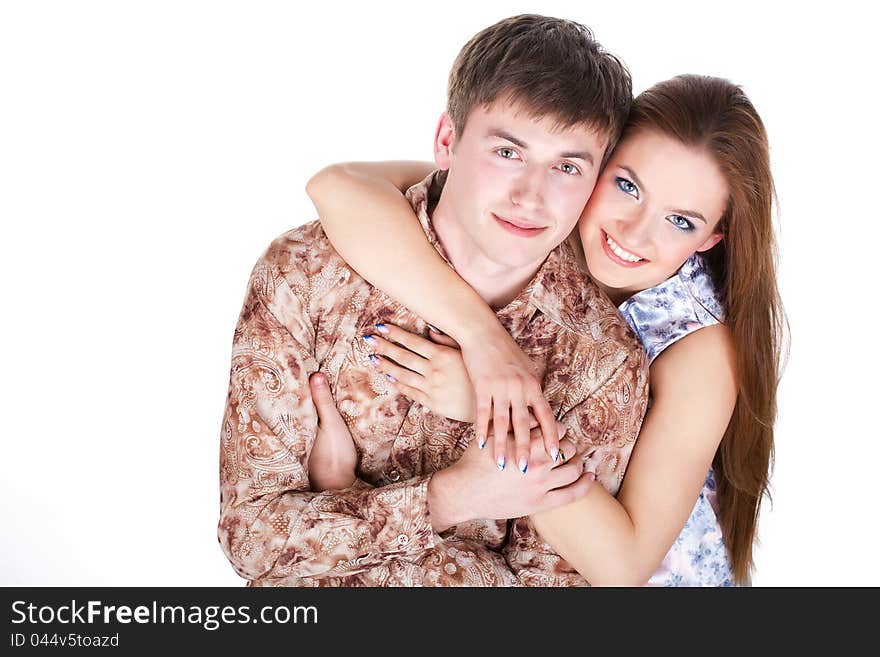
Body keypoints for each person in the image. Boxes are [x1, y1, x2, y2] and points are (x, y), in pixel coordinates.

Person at [218, 14, 647, 586]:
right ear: (447, 141)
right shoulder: (307, 275)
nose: (530, 197)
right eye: (508, 153)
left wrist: (345, 509)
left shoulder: (602, 361)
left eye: (566, 167)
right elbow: (254, 537)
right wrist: (448, 499)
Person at [305, 74, 785, 585]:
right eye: (628, 187)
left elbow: (622, 565)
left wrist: (488, 409)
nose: (634, 232)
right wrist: (483, 340)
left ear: (713, 238)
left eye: (681, 222)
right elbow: (336, 188)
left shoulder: (701, 350)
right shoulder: (538, 214)